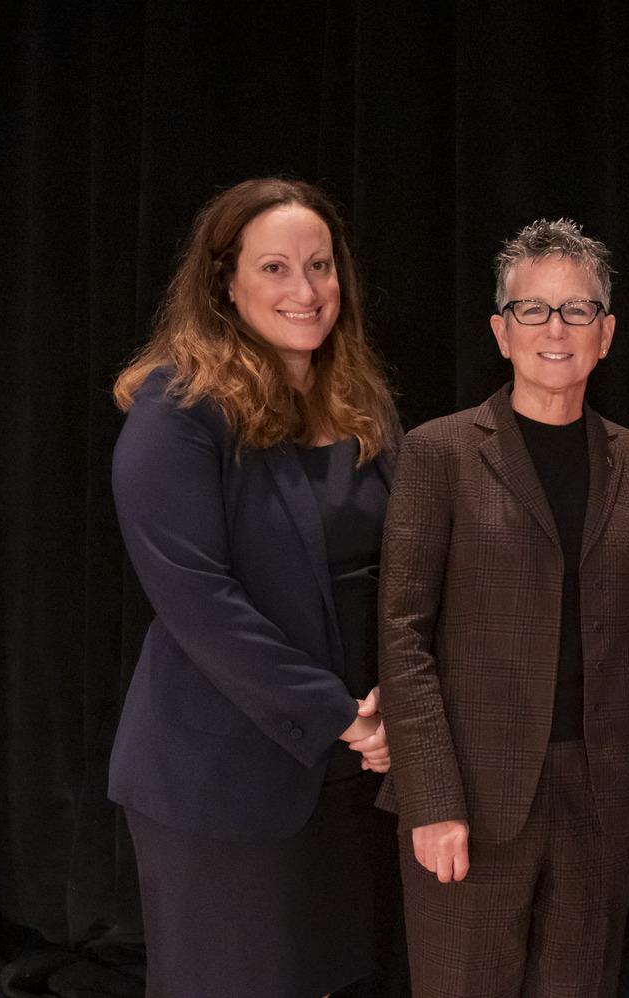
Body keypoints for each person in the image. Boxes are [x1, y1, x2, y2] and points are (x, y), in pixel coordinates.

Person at [110, 177, 407, 997]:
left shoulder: (362, 403)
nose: (304, 290)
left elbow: (404, 568)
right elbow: (199, 601)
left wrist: (397, 708)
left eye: (319, 265)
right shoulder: (178, 411)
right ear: (224, 284)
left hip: (356, 777)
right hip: (225, 781)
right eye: (274, 268)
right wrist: (340, 716)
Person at [377, 219, 629, 998]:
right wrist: (433, 799)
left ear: (606, 333)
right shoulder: (439, 453)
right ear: (500, 332)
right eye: (533, 311)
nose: (556, 329)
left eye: (577, 310)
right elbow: (403, 635)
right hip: (471, 802)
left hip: (601, 798)